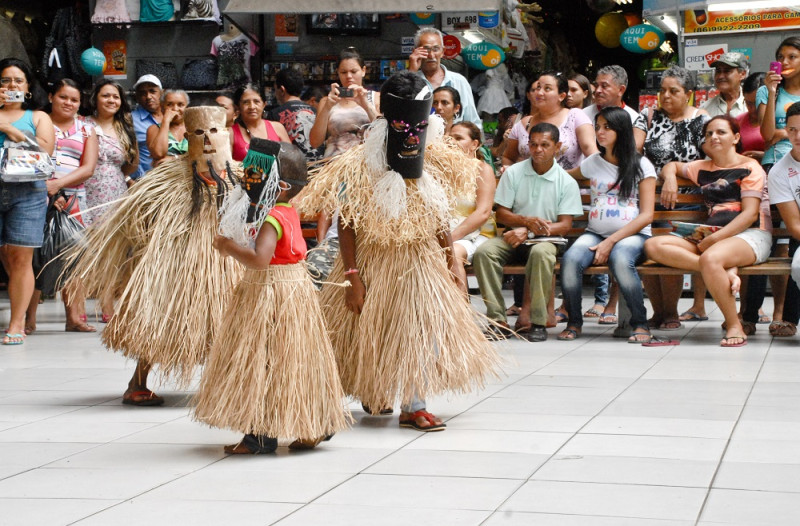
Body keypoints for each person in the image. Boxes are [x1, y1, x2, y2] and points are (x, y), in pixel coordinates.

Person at [298, 71, 500, 431]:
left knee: (418, 326)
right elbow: (348, 221)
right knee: (369, 329)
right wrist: (352, 276)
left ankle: (414, 404)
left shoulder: (436, 156)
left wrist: (449, 260)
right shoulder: (361, 161)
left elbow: (438, 213)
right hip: (372, 257)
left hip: (419, 258)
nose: (411, 133)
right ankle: (373, 388)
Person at [66, 106, 240, 404]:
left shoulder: (241, 176)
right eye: (199, 133)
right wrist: (155, 243)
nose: (208, 139)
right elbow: (135, 214)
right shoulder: (168, 176)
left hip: (227, 261)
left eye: (213, 132)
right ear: (187, 137)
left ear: (225, 134)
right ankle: (138, 382)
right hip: (175, 260)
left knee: (232, 319)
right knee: (160, 313)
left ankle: (228, 385)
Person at [194, 139, 349, 454]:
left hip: (270, 291)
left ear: (278, 186)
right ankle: (317, 423)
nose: (247, 176)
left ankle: (260, 436)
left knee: (261, 357)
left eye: (254, 172)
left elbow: (259, 259)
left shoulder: (271, 217)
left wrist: (227, 247)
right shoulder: (286, 210)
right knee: (293, 358)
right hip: (293, 290)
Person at [645, 116, 771, 347]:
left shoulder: (750, 167)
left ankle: (734, 325)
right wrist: (670, 177)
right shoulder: (702, 167)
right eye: (709, 133)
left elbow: (750, 214)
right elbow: (671, 165)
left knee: (711, 258)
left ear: (735, 137)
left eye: (721, 132)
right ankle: (721, 271)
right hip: (710, 235)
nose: (714, 137)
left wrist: (714, 239)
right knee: (653, 245)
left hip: (749, 235)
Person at [473, 122, 584, 342]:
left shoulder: (566, 181)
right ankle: (498, 321)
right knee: (484, 253)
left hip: (547, 240)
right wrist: (524, 222)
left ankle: (538, 322)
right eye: (533, 144)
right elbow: (502, 214)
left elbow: (564, 225)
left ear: (557, 146)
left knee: (541, 254)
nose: (538, 150)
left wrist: (530, 231)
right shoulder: (514, 173)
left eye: (545, 144)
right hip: (514, 237)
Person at [558, 107, 656, 343]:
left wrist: (612, 241)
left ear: (621, 130)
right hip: (595, 233)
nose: (600, 132)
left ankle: (640, 323)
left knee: (620, 258)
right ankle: (574, 322)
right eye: (598, 127)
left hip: (635, 236)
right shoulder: (593, 163)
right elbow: (563, 176)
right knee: (570, 260)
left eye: (607, 127)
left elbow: (647, 215)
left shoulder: (642, 165)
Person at [636, 65, 710, 329]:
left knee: (666, 244)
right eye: (662, 90)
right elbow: (633, 153)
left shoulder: (701, 119)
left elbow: (710, 161)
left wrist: (672, 174)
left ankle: (671, 312)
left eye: (673, 91)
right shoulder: (647, 116)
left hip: (689, 203)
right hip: (648, 199)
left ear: (688, 93)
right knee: (647, 250)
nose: (665, 96)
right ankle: (658, 311)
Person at [26, 79, 98, 334]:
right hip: (35, 195)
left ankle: (74, 317)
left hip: (74, 200)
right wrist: (46, 185)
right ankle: (28, 319)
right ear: (50, 97)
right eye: (63, 97)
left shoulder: (87, 129)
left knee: (75, 258)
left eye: (74, 99)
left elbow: (88, 167)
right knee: (34, 256)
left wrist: (57, 186)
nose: (69, 103)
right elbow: (27, 157)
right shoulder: (36, 122)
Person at [0, 58, 54, 345]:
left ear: (28, 88)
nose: (11, 86)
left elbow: (44, 154)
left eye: (17, 81)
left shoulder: (38, 118)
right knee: (8, 259)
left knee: (21, 258)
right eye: (5, 81)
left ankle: (17, 323)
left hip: (27, 190)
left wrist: (10, 129)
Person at [84, 79, 139, 323]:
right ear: (95, 98)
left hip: (115, 190)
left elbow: (132, 162)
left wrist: (122, 177)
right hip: (85, 188)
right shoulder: (83, 124)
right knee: (85, 248)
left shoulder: (125, 126)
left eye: (116, 97)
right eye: (106, 96)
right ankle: (77, 309)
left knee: (112, 249)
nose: (111, 101)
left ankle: (108, 303)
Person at [502, 71, 596, 171]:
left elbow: (592, 155)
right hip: (531, 185)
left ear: (562, 96)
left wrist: (565, 177)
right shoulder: (523, 124)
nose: (539, 92)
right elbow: (508, 157)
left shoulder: (575, 117)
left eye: (547, 88)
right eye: (538, 87)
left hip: (568, 184)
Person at [448, 121, 496, 294]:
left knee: (451, 254)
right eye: (449, 138)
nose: (451, 142)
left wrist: (449, 238)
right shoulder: (443, 171)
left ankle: (461, 314)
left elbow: (483, 213)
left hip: (475, 236)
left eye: (458, 138)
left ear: (475, 144)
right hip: (447, 236)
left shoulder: (482, 170)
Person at [766, 102, 800, 338]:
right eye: (793, 130)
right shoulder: (779, 171)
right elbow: (795, 226)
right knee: (798, 266)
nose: (798, 136)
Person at [308, 47, 379, 158]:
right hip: (335, 167)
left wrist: (365, 105)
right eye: (343, 72)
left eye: (354, 71)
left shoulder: (375, 98)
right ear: (338, 73)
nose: (349, 76)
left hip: (367, 167)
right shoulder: (327, 101)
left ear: (363, 71)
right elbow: (315, 142)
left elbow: (385, 133)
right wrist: (327, 108)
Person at [408, 27, 481, 129]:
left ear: (443, 51)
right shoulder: (409, 81)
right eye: (426, 49)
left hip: (453, 143)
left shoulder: (459, 82)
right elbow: (400, 114)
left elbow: (473, 123)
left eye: (436, 49)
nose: (431, 55)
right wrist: (411, 73)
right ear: (415, 52)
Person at [584, 65, 645, 151]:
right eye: (596, 85)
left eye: (604, 86)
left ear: (621, 90)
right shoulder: (583, 115)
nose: (597, 90)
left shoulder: (634, 120)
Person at [268, 68, 323, 162]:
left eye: (275, 89)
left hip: (293, 172)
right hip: (320, 171)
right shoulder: (317, 112)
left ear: (282, 90)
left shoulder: (274, 114)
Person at [230, 83, 291, 162]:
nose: (252, 107)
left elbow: (291, 158)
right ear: (238, 106)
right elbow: (225, 166)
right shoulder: (231, 133)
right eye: (246, 102)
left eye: (256, 101)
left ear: (264, 104)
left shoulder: (277, 128)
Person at [130, 74, 162, 180]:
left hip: (174, 181)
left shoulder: (172, 117)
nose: (148, 96)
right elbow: (127, 154)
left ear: (162, 93)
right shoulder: (131, 120)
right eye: (143, 93)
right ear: (137, 98)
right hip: (144, 183)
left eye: (152, 91)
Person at [146, 89, 189, 165]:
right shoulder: (154, 129)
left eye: (180, 105)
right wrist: (166, 121)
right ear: (162, 108)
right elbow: (159, 153)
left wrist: (174, 158)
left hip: (193, 175)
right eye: (170, 104)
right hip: (165, 176)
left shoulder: (194, 128)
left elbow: (200, 155)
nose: (175, 109)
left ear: (187, 108)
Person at [701, 52, 748, 117]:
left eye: (727, 71)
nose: (720, 76)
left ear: (742, 74)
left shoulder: (751, 106)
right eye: (718, 71)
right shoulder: (705, 108)